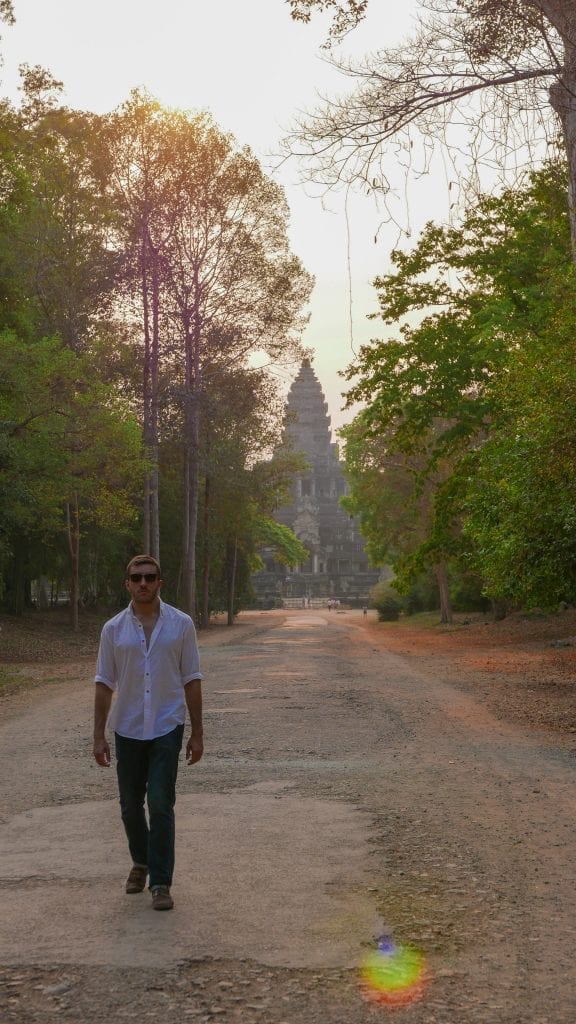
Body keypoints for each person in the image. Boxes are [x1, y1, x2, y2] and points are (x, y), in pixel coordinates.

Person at [92, 555, 204, 911]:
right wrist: (98, 735)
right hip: (127, 726)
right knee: (129, 807)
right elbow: (103, 683)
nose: (143, 583)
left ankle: (160, 882)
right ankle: (140, 861)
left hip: (167, 725)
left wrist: (198, 732)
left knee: (159, 802)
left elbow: (192, 679)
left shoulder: (181, 625)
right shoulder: (113, 630)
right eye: (136, 577)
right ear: (127, 583)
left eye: (150, 577)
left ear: (160, 582)